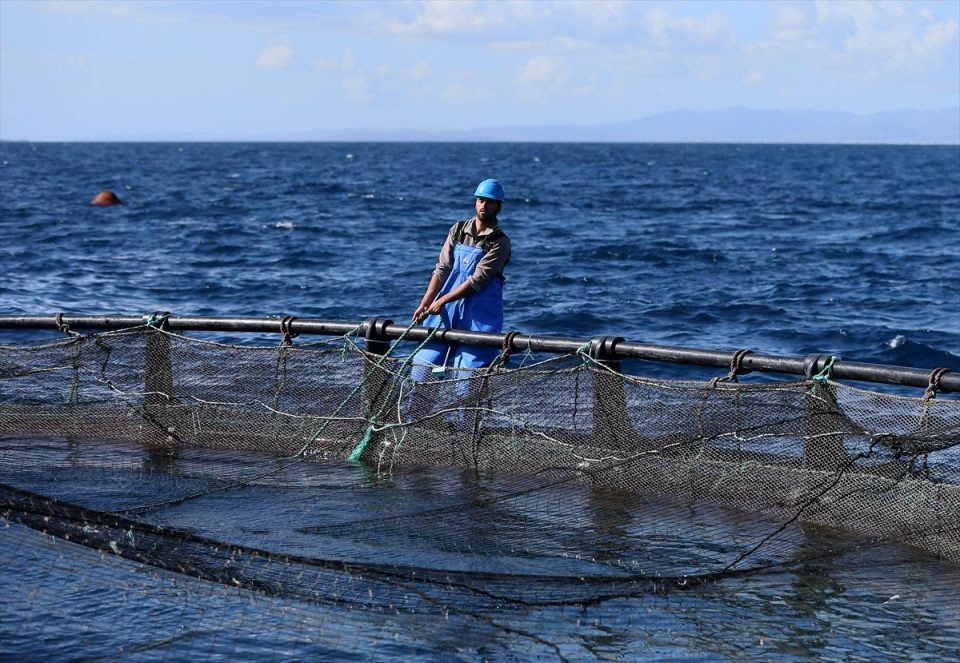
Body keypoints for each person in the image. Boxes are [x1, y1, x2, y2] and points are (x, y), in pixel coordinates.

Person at [410, 178, 511, 383]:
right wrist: (426, 302)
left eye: (490, 202)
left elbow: (477, 280)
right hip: (444, 316)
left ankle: (466, 416)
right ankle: (416, 416)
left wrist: (443, 300)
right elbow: (442, 269)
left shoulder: (500, 242)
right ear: (475, 202)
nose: (484, 205)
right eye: (481, 200)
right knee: (422, 372)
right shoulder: (457, 230)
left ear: (498, 207)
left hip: (478, 320)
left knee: (467, 380)